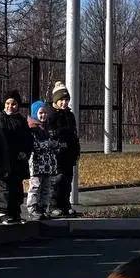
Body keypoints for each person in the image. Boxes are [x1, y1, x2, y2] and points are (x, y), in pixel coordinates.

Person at [46, 82, 81, 218]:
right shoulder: (52, 115)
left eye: (66, 100)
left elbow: (74, 134)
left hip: (69, 153)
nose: (64, 103)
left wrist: (76, 151)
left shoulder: (69, 115)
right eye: (61, 100)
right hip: (57, 154)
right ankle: (53, 205)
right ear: (56, 100)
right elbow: (52, 133)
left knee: (67, 180)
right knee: (57, 180)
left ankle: (65, 204)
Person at [0, 90, 32, 224]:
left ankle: (15, 212)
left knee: (17, 186)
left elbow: (28, 139)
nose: (10, 106)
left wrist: (25, 151)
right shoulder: (0, 119)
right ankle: (3, 212)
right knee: (5, 186)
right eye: (7, 103)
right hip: (6, 159)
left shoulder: (21, 121)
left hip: (18, 160)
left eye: (14, 104)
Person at [26, 100, 59, 220]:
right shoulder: (33, 129)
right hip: (37, 164)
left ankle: (43, 207)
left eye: (45, 113)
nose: (43, 115)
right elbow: (35, 145)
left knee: (46, 186)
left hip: (48, 164)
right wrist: (49, 144)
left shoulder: (48, 128)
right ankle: (33, 208)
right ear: (35, 114)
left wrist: (55, 145)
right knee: (35, 186)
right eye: (40, 113)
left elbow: (55, 143)